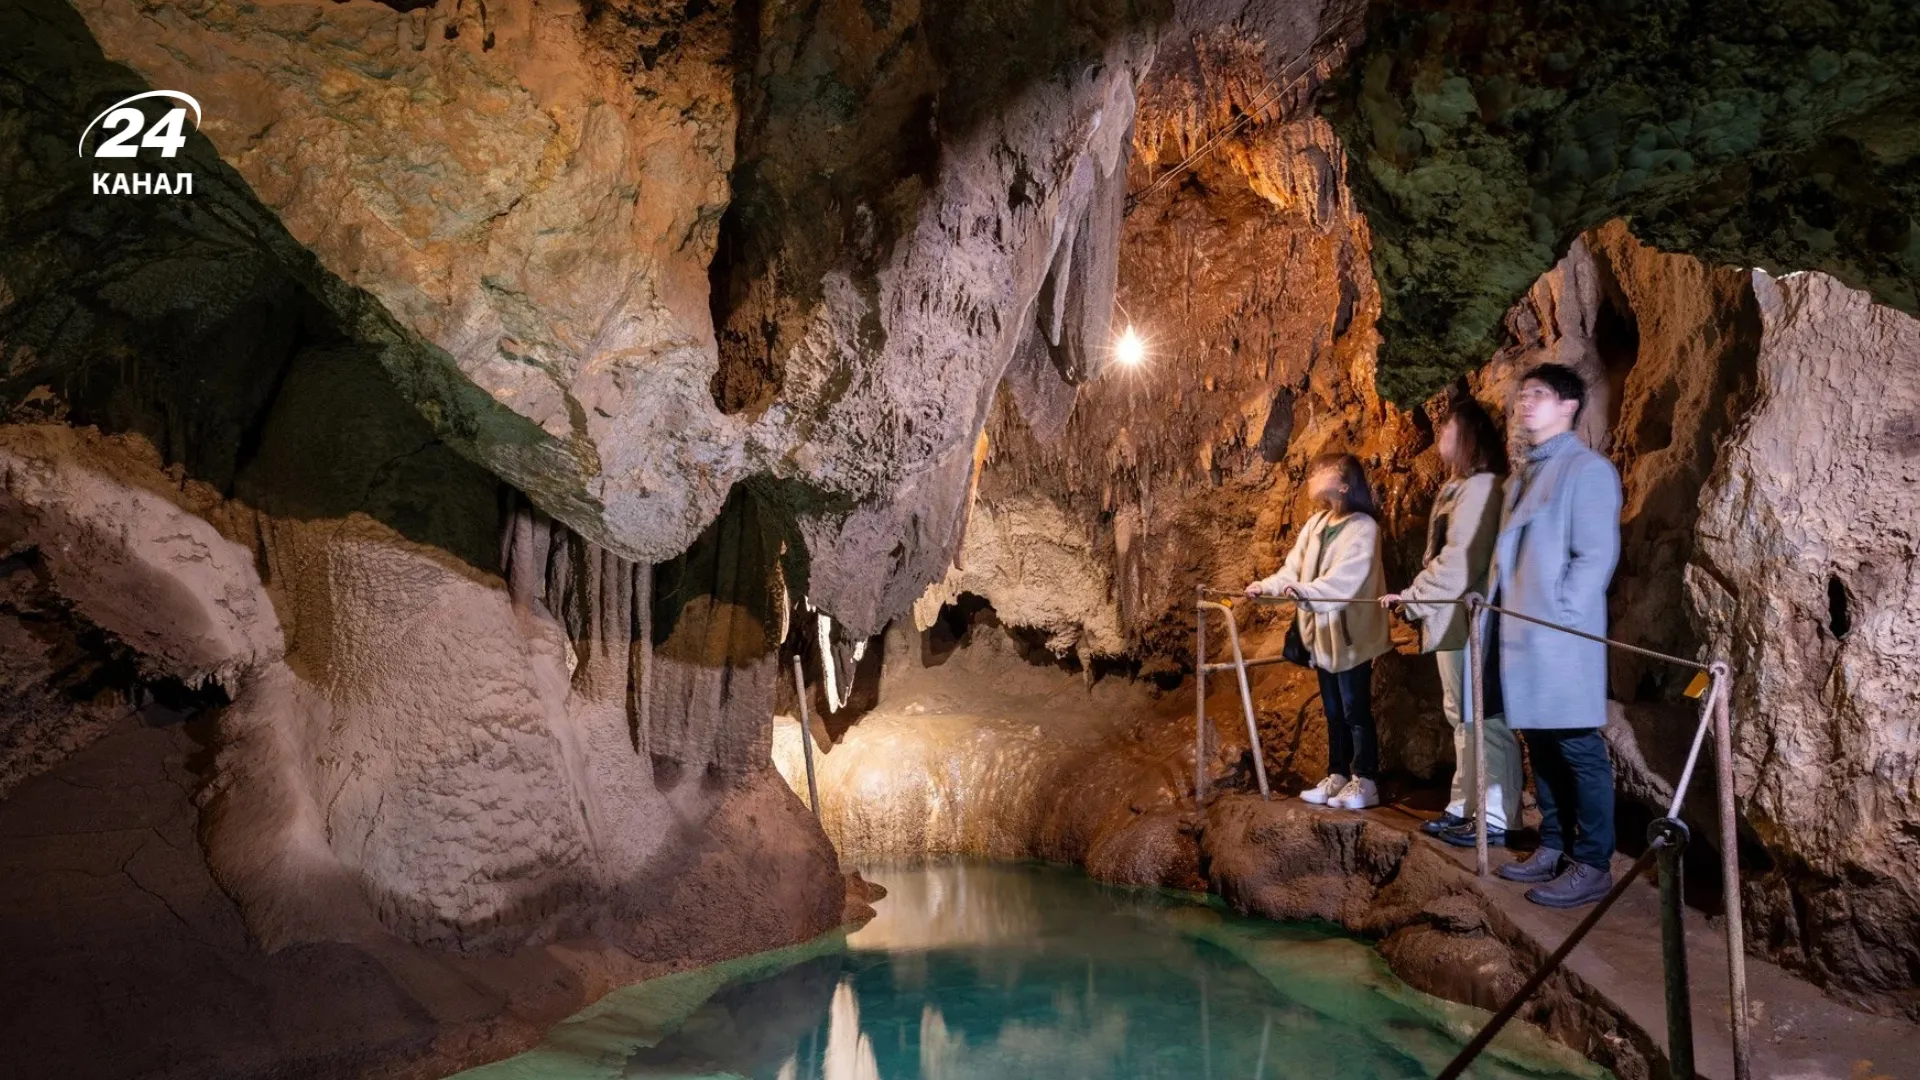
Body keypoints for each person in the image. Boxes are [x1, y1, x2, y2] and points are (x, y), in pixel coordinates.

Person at [1487, 363, 1624, 908]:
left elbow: (1594, 557)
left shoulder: (1585, 470)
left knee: (1578, 748)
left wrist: (1560, 620)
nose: (1525, 404)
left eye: (1538, 395)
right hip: (1525, 632)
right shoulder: (1522, 476)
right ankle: (1553, 845)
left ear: (1569, 406)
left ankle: (1592, 863)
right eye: (1522, 396)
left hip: (1558, 634)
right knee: (1540, 746)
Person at [1379, 397, 1520, 848]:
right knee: (1463, 717)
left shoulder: (1481, 488)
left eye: (1447, 429)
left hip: (1473, 618)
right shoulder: (1462, 488)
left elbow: (1461, 559)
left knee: (1485, 718)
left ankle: (1497, 815)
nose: (1439, 436)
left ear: (1469, 436)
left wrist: (1415, 597)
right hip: (1454, 618)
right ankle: (1466, 806)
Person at [1245, 453, 1392, 810]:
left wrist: (1307, 593)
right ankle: (1337, 774)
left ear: (1344, 485)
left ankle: (1366, 780)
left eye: (1322, 471)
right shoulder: (1316, 525)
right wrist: (1267, 588)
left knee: (1356, 709)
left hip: (1349, 635)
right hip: (1321, 636)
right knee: (1332, 710)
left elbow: (1347, 580)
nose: (1313, 475)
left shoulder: (1363, 528)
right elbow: (1292, 570)